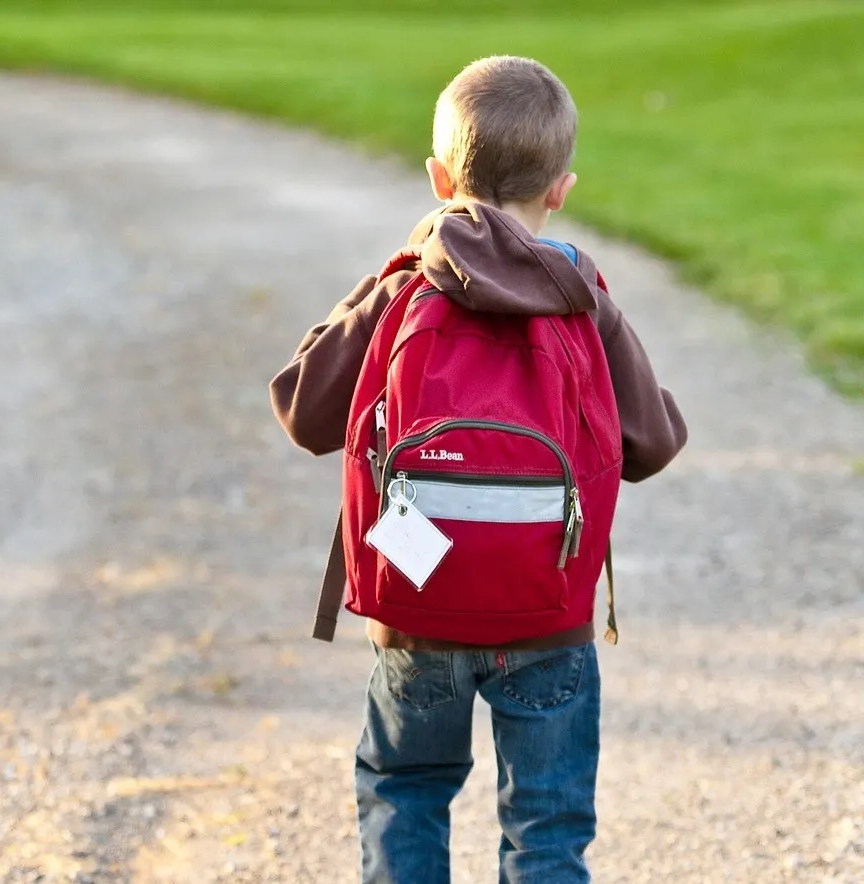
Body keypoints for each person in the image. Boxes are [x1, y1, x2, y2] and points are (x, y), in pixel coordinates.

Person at [270, 55, 686, 884]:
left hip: (419, 599)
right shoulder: (580, 295)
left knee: (405, 791)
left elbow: (302, 410)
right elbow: (653, 444)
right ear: (561, 188)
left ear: (437, 177)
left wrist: (383, 285)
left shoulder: (404, 288)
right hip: (547, 612)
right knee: (546, 826)